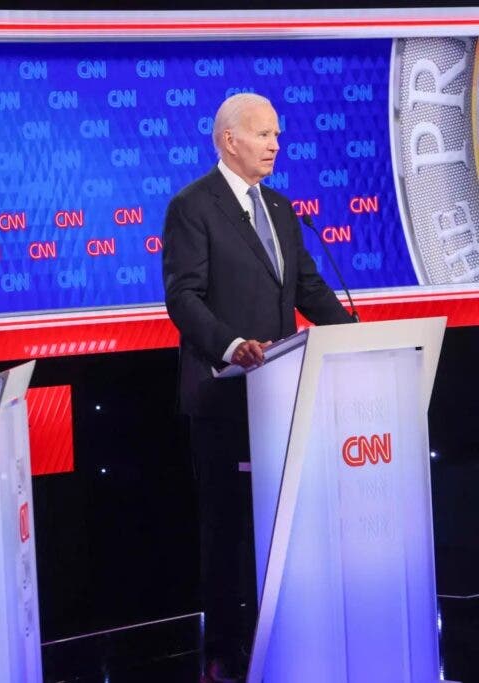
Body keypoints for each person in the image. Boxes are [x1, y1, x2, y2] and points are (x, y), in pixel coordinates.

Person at [162, 93, 353, 683]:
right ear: (229, 140)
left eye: (278, 134)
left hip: (285, 395)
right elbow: (182, 297)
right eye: (265, 134)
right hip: (224, 395)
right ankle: (223, 649)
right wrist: (231, 346)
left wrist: (360, 337)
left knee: (281, 524)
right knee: (227, 530)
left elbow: (307, 288)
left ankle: (284, 632)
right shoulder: (192, 207)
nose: (276, 144)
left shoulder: (280, 206)